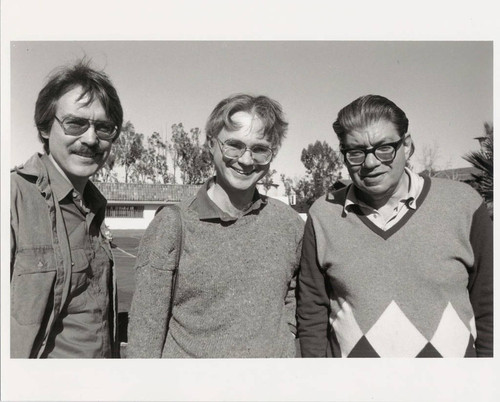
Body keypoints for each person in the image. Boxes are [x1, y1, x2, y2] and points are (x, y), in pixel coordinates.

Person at [297, 94, 493, 358]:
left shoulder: (463, 205)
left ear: (407, 146)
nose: (370, 162)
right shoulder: (323, 214)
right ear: (343, 156)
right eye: (356, 152)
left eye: (384, 148)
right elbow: (312, 312)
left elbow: (490, 303)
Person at [127, 94, 304, 358]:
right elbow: (145, 332)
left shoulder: (288, 222)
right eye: (234, 145)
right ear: (211, 144)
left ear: (272, 154)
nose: (246, 160)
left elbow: (297, 293)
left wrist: (285, 333)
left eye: (259, 149)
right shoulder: (173, 225)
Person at [10, 60, 123, 358]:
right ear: (46, 128)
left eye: (103, 128)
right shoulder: (14, 198)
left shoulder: (94, 208)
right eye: (75, 123)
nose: (90, 139)